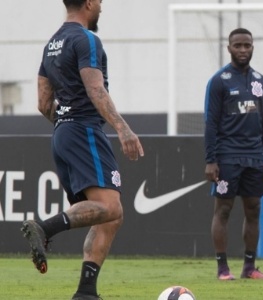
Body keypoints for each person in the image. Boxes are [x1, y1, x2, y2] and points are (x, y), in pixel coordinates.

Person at [21, 0, 144, 299]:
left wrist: (65, 125)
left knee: (109, 216)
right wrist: (122, 129)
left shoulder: (52, 43)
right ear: (89, 3)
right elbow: (95, 89)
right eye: (100, 1)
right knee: (111, 207)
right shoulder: (86, 39)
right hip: (83, 130)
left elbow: (42, 102)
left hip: (63, 133)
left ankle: (86, 292)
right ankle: (44, 228)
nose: (101, 6)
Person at [204, 28, 263, 281]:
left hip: (255, 156)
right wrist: (211, 160)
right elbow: (210, 123)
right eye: (238, 46)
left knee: (253, 209)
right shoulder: (219, 80)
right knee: (223, 210)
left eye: (247, 45)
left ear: (253, 47)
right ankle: (223, 268)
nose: (243, 50)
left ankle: (249, 267)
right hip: (227, 156)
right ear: (229, 48)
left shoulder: (261, 81)